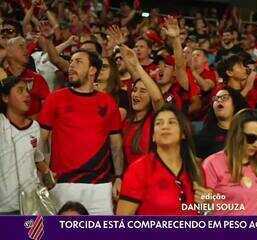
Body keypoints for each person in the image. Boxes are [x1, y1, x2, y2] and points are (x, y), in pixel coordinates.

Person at [38, 49, 124, 215]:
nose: (71, 66)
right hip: (63, 183)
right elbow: (42, 139)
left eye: (78, 62)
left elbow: (116, 144)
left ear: (92, 70)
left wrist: (119, 176)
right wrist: (44, 172)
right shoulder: (55, 98)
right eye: (71, 61)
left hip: (100, 185)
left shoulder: (108, 102)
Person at [117, 104, 204, 215]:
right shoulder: (139, 169)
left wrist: (207, 208)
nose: (165, 127)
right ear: (153, 136)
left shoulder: (196, 168)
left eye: (171, 122)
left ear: (183, 133)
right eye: (159, 123)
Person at [197, 109, 257, 215]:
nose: (256, 144)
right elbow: (204, 210)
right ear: (237, 134)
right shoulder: (212, 164)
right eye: (251, 138)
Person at [0, 76, 52, 214]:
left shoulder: (35, 127)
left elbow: (36, 157)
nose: (27, 95)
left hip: (31, 207)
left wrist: (48, 174)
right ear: (5, 98)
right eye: (20, 90)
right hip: (4, 208)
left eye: (27, 91)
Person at [121, 46, 165, 166]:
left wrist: (137, 65)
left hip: (149, 178)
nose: (136, 94)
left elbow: (157, 98)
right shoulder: (127, 121)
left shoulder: (156, 118)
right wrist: (121, 47)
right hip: (128, 178)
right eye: (135, 90)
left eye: (143, 91)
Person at [4, 36, 50, 118]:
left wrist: (29, 123)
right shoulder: (2, 77)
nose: (26, 51)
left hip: (34, 127)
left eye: (26, 47)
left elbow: (48, 107)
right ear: (9, 52)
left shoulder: (37, 78)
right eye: (21, 46)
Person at [195, 87, 247, 159]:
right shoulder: (204, 135)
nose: (219, 100)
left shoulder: (246, 131)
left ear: (235, 103)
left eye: (224, 98)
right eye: (216, 98)